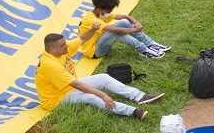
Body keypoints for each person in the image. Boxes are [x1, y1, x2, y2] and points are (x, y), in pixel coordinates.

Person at [35, 24, 165, 120]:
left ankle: (139, 96)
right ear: (52, 49)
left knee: (103, 77)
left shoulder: (61, 49)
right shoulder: (51, 65)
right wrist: (103, 95)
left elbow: (82, 39)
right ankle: (133, 112)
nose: (67, 46)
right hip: (56, 99)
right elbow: (78, 85)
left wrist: (93, 29)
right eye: (63, 45)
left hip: (68, 87)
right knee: (90, 97)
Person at [78, 0, 171, 59]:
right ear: (100, 9)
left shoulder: (100, 13)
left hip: (101, 40)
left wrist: (136, 23)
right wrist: (135, 29)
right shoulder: (90, 19)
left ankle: (150, 44)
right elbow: (119, 31)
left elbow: (125, 16)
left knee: (124, 22)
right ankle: (144, 50)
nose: (110, 13)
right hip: (94, 52)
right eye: (108, 11)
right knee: (115, 32)